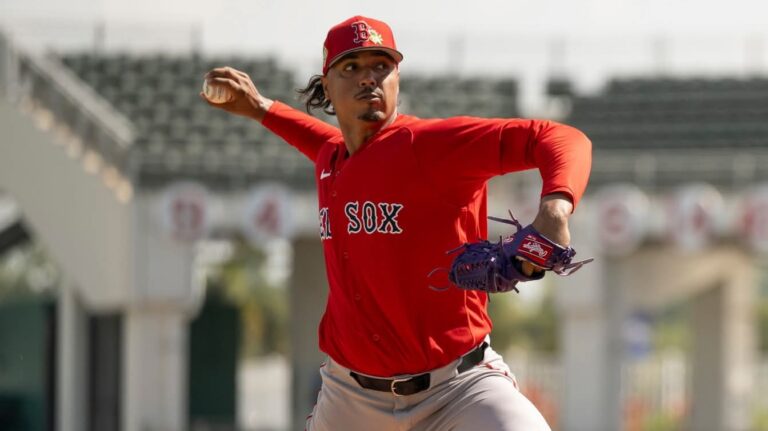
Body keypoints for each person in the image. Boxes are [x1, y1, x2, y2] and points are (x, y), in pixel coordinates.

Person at [202, 15, 591, 431]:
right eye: (351, 67)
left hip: (458, 390)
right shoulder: (333, 158)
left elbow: (560, 138)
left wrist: (555, 207)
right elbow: (316, 138)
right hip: (349, 397)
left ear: (397, 79)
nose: (368, 78)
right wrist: (261, 108)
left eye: (381, 66)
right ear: (327, 85)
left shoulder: (430, 147)